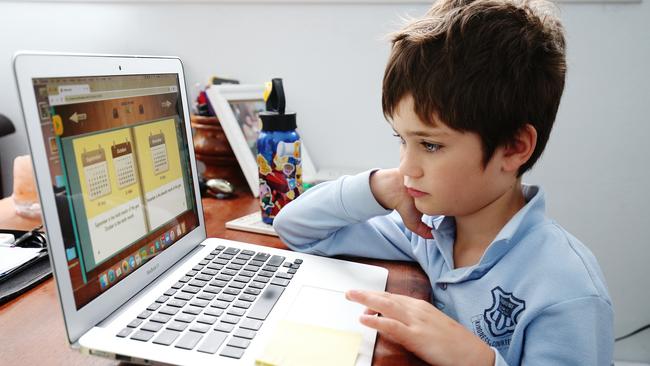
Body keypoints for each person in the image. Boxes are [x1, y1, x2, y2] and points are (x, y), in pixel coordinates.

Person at [272, 0, 614, 364]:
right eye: (402, 140)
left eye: (430, 145)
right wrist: (378, 187)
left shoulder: (567, 288)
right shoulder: (427, 230)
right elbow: (295, 228)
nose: (407, 166)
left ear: (514, 148)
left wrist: (477, 359)